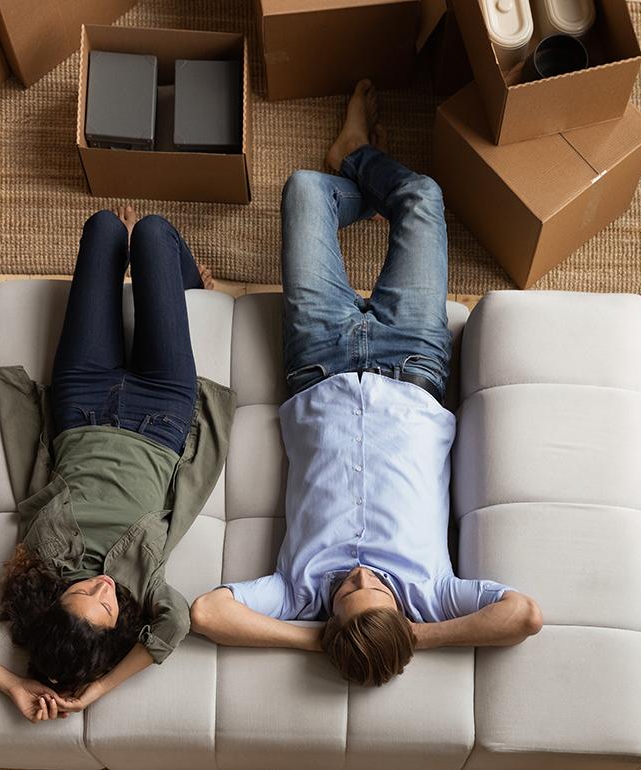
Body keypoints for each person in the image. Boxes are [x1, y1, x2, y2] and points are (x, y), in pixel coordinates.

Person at [189, 81, 542, 687]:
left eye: (345, 593)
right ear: (403, 614)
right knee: (423, 198)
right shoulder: (431, 595)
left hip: (317, 361)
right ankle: (359, 160)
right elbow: (523, 617)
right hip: (412, 363)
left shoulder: (297, 593)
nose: (357, 576)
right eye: (372, 588)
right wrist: (417, 634)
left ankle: (352, 165)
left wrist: (313, 635)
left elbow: (207, 613)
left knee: (303, 190)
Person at [0, 206, 234, 721]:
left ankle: (177, 287)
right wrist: (101, 688)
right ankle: (189, 287)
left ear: (50, 605)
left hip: (81, 401)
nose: (103, 587)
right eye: (107, 606)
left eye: (83, 592)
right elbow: (176, 623)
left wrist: (14, 685)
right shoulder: (142, 588)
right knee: (153, 232)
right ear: (119, 624)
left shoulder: (28, 583)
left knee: (104, 227)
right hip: (162, 413)